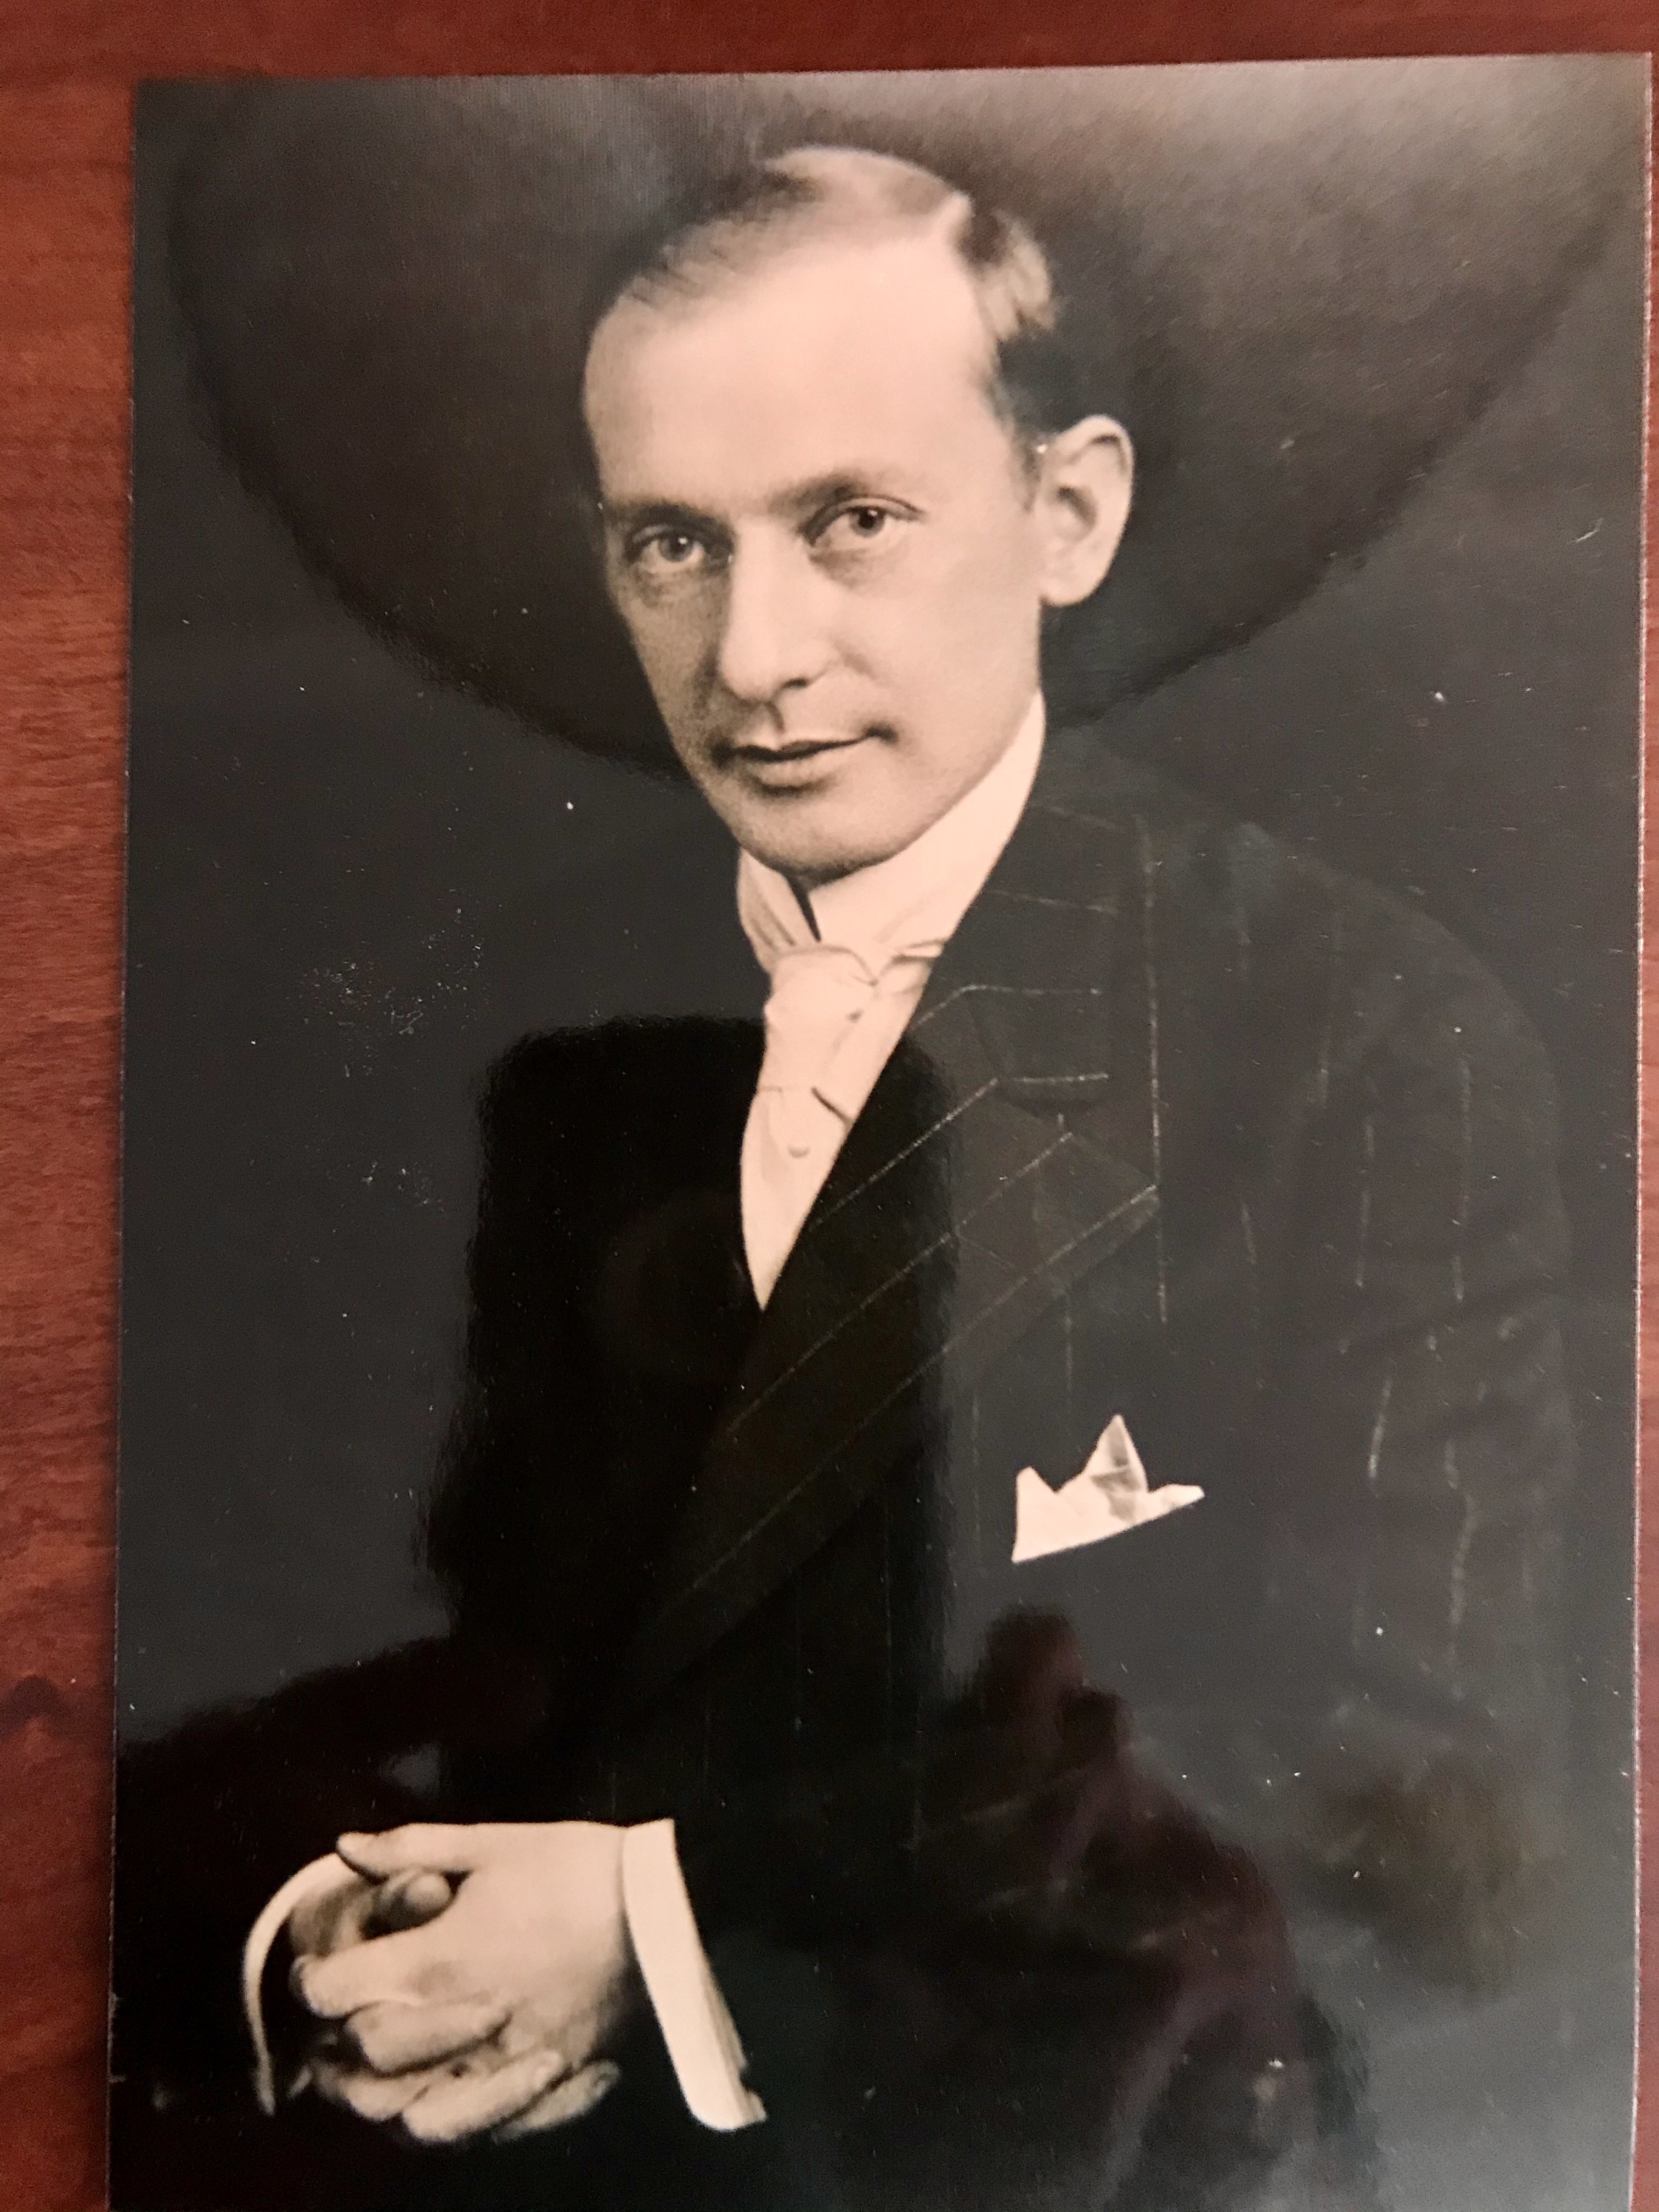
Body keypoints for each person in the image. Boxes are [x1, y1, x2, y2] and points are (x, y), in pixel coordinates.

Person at [117, 144, 1571, 2211]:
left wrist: (666, 1928)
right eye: (670, 545)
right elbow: (228, 1644)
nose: (753, 656)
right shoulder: (485, 1020)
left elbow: (1420, 1821)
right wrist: (317, 1932)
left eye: (852, 524)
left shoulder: (1357, 1040)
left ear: (1069, 513)